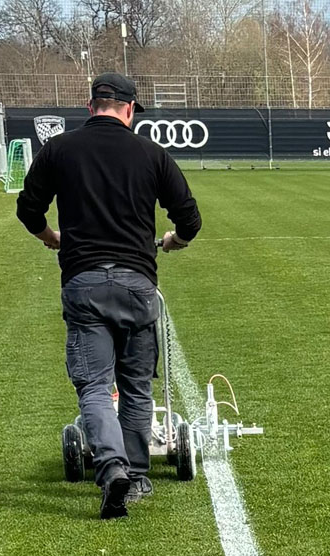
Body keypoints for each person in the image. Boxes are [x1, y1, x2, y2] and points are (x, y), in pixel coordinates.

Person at [16, 72, 202, 519]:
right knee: (136, 386)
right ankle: (135, 476)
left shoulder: (59, 149)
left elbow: (28, 209)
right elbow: (190, 220)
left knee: (95, 386)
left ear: (90, 106)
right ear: (130, 109)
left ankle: (112, 467)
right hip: (138, 284)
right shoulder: (151, 153)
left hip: (84, 284)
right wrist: (173, 241)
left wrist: (50, 237)